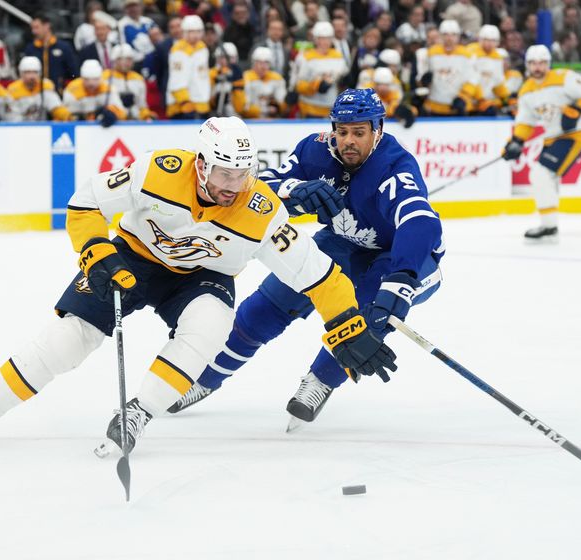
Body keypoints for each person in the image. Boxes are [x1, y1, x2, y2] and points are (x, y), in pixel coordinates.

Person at [0, 116, 397, 454]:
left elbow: (318, 274)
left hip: (203, 279)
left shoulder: (261, 211)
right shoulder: (157, 170)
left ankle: (140, 411)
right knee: (69, 338)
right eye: (223, 174)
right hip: (133, 257)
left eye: (242, 174)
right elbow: (85, 203)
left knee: (211, 325)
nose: (233, 186)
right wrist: (97, 255)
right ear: (201, 164)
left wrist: (348, 327)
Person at [168, 89, 443, 427]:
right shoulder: (315, 150)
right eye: (343, 132)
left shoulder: (394, 166)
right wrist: (293, 191)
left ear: (378, 130)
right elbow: (257, 190)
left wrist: (402, 279)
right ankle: (204, 378)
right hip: (340, 243)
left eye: (359, 132)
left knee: (367, 317)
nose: (349, 141)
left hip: (402, 257)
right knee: (264, 308)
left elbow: (420, 222)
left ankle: (321, 380)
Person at [502, 45, 581, 241]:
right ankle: (551, 224)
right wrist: (515, 142)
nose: (538, 67)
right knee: (548, 179)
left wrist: (576, 109)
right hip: (552, 138)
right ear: (527, 65)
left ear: (548, 64)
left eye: (542, 63)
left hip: (575, 135)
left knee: (540, 174)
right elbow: (525, 122)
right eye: (533, 63)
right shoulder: (526, 91)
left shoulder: (564, 78)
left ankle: (549, 226)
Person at [421, 19, 477, 116]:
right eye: (446, 34)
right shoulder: (431, 52)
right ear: (440, 36)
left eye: (453, 35)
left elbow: (473, 79)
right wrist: (424, 81)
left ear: (458, 36)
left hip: (457, 106)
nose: (449, 38)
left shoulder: (467, 54)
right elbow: (423, 76)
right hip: (434, 106)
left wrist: (463, 97)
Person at [294, 21, 349, 118]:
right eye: (321, 38)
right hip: (310, 107)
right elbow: (299, 85)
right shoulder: (306, 57)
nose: (324, 42)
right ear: (315, 39)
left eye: (327, 38)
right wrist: (316, 85)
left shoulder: (338, 56)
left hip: (331, 108)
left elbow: (343, 77)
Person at [166, 15, 210, 119]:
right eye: (191, 32)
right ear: (184, 32)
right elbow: (177, 79)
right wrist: (185, 102)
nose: (195, 35)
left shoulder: (202, 48)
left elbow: (203, 74)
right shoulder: (178, 49)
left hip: (201, 103)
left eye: (198, 31)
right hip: (182, 106)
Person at [23, 13, 78, 92]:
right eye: (32, 28)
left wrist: (66, 89)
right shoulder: (30, 49)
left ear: (47, 26)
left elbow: (74, 73)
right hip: (36, 93)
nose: (34, 31)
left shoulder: (64, 47)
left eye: (36, 27)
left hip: (58, 93)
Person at [63, 59, 127, 127]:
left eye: (95, 79)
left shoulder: (108, 89)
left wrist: (113, 113)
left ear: (100, 78)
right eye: (87, 79)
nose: (91, 83)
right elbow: (66, 115)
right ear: (82, 78)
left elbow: (122, 112)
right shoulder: (72, 90)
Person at [7, 56, 72, 122]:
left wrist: (66, 116)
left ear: (40, 73)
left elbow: (56, 108)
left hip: (42, 126)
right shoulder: (13, 90)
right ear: (21, 74)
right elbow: (12, 116)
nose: (32, 76)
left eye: (35, 72)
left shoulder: (45, 86)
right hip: (20, 127)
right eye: (28, 72)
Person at [103, 44, 157, 121]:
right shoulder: (106, 77)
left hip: (134, 121)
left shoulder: (138, 78)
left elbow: (142, 105)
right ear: (115, 60)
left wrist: (147, 116)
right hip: (113, 120)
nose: (127, 63)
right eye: (123, 59)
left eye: (129, 59)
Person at [468, 25, 510, 115]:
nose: (489, 43)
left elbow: (498, 82)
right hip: (469, 101)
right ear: (480, 39)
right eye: (486, 40)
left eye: (493, 40)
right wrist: (479, 99)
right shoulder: (471, 53)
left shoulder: (497, 57)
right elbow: (469, 80)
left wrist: (506, 99)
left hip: (486, 103)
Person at [239, 46, 287, 118]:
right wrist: (265, 110)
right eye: (260, 62)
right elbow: (244, 107)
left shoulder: (277, 78)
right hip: (251, 120)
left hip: (273, 121)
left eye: (266, 62)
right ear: (254, 63)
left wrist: (281, 105)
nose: (263, 66)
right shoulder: (245, 78)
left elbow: (282, 103)